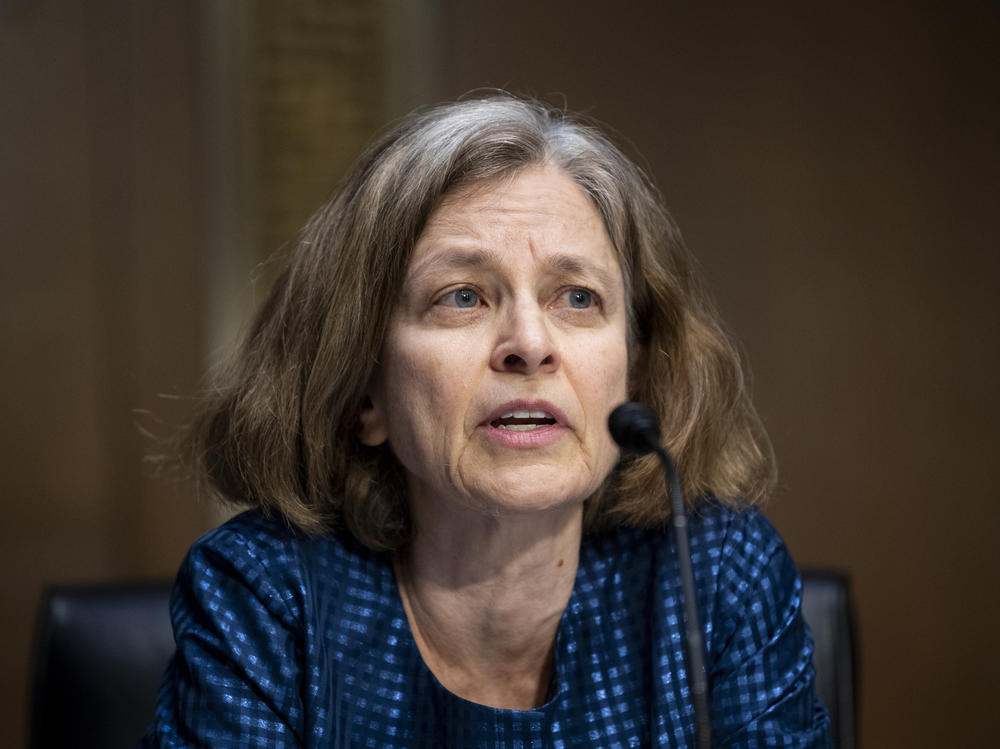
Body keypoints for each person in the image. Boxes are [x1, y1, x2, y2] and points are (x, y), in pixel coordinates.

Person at [143, 93, 830, 747]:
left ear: (637, 375)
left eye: (578, 297)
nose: (530, 343)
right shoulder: (267, 593)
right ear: (363, 392)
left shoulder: (712, 577)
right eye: (463, 295)